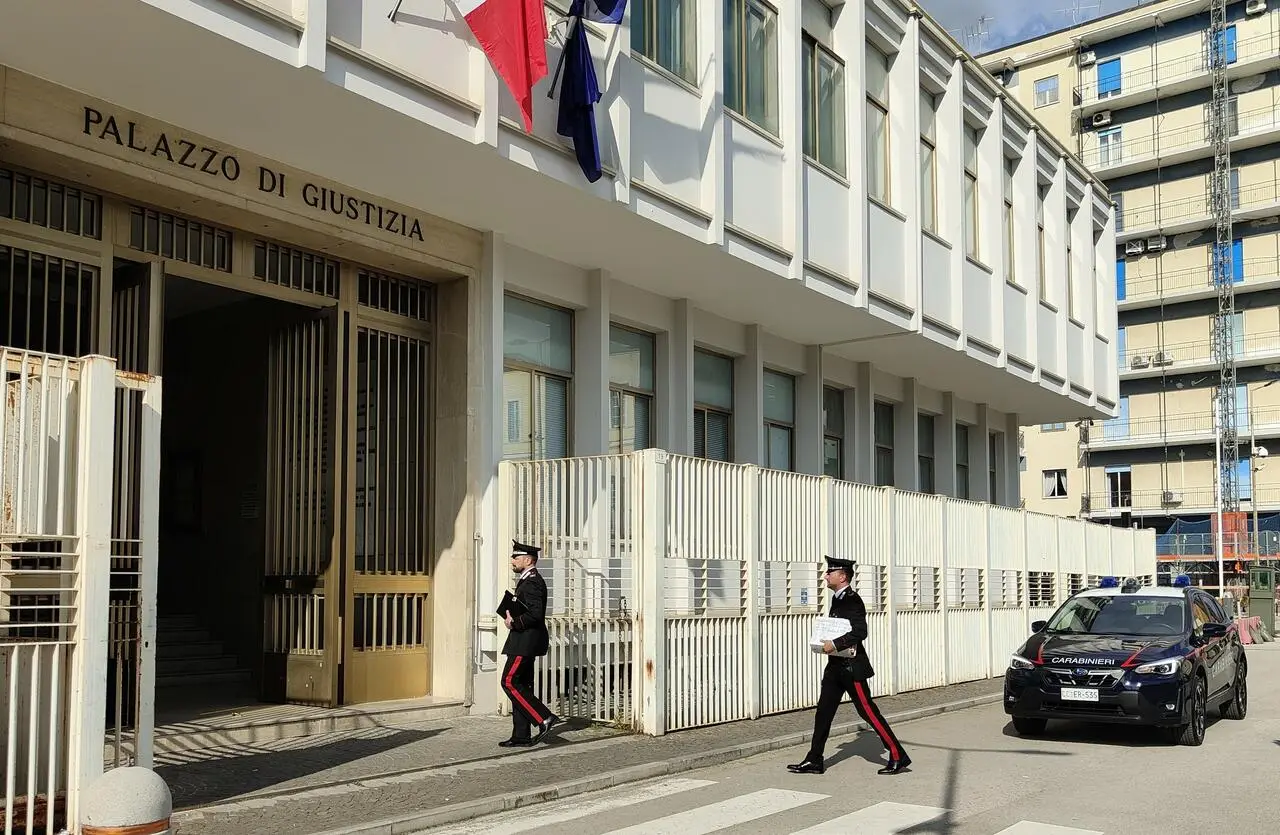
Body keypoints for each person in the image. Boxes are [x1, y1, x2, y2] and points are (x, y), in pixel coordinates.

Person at [787, 556, 911, 776]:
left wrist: (834, 643)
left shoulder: (852, 600)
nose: (826, 576)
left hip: (852, 667)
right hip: (835, 667)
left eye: (830, 572)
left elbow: (859, 632)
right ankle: (814, 759)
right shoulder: (838, 599)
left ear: (842, 576)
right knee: (823, 713)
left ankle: (897, 755)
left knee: (869, 713)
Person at [499, 540, 559, 747]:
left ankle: (544, 718)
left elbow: (535, 614)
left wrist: (513, 621)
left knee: (509, 681)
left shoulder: (532, 582)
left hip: (525, 642)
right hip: (523, 641)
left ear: (527, 559)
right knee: (521, 685)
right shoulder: (528, 580)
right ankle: (521, 735)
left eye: (515, 557)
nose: (512, 561)